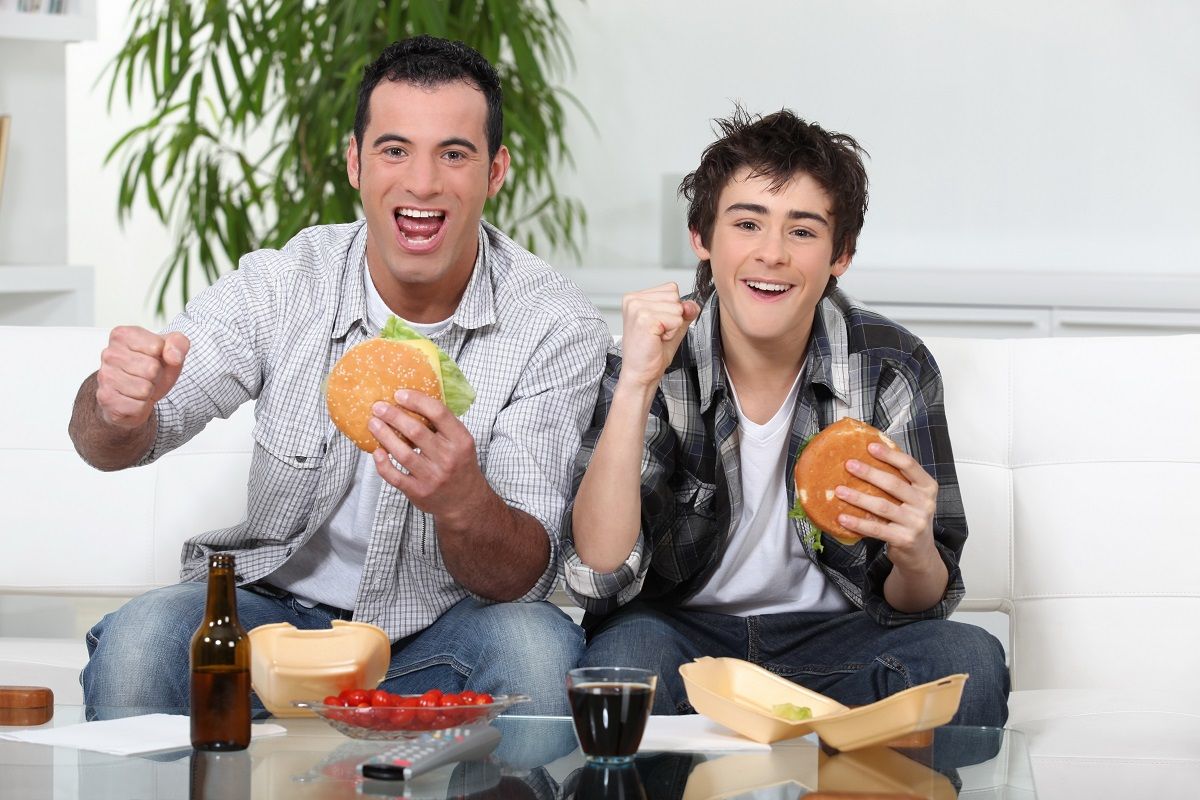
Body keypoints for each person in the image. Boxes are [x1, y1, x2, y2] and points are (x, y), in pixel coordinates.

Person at [69, 35, 609, 718]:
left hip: (441, 634)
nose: (421, 183)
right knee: (141, 644)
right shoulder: (283, 282)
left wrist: (463, 499)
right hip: (271, 621)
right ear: (355, 161)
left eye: (454, 153)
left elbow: (520, 575)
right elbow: (114, 440)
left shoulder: (555, 326)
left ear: (495, 172)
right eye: (394, 150)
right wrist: (117, 408)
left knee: (539, 654)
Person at [561, 108, 1009, 725]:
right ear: (702, 238)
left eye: (802, 232)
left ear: (840, 255)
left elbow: (919, 606)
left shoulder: (890, 366)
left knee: (973, 660)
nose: (771, 254)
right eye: (747, 223)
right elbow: (598, 576)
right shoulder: (649, 358)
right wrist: (636, 383)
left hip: (839, 642)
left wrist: (915, 553)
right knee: (616, 667)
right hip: (682, 637)